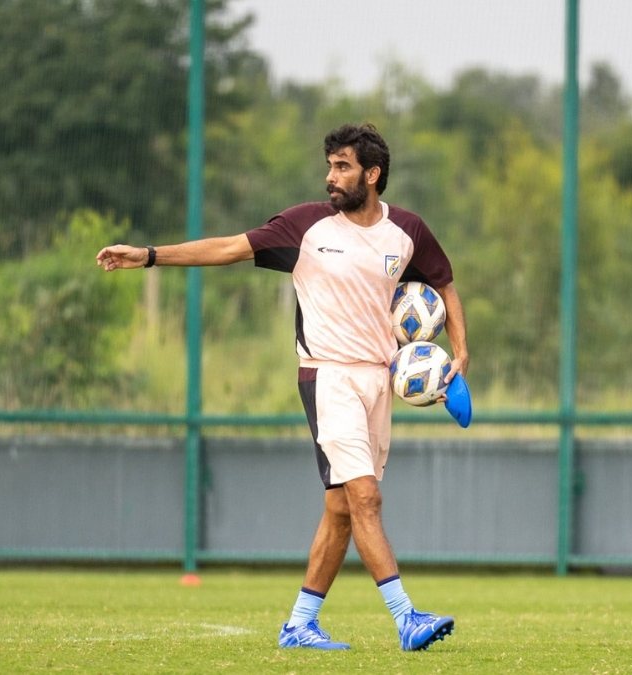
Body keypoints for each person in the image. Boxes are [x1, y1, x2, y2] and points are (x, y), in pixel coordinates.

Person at [96, 123, 468, 651]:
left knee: (342, 509)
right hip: (328, 376)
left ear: (373, 174)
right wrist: (149, 255)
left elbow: (444, 283)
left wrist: (461, 351)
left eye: (342, 167)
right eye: (329, 166)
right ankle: (406, 618)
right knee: (365, 496)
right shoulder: (305, 226)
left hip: (379, 381)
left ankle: (299, 624)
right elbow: (228, 248)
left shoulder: (406, 231)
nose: (330, 176)